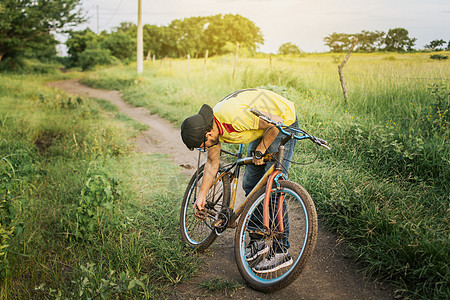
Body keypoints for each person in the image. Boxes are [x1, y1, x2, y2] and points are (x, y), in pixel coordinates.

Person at [180, 88, 299, 273]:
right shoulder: (212, 127)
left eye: (200, 146)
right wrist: (201, 196)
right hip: (262, 126)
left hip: (283, 122)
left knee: (273, 188)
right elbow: (212, 163)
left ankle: (280, 251)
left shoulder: (233, 118)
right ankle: (258, 240)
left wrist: (261, 149)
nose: (202, 149)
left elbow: (276, 124)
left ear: (208, 135)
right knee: (251, 184)